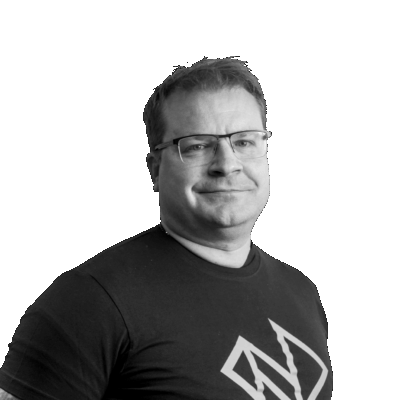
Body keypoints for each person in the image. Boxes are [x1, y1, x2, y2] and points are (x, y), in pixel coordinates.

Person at [0, 57, 333, 399]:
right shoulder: (90, 301)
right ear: (155, 169)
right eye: (198, 145)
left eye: (245, 142)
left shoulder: (301, 293)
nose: (227, 164)